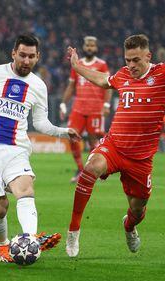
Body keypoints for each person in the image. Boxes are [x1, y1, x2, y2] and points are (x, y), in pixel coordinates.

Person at [65, 34, 165, 257]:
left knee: (137, 209)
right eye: (128, 60)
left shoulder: (164, 74)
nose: (131, 65)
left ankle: (129, 226)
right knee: (91, 167)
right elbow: (102, 79)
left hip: (141, 159)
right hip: (114, 146)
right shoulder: (123, 75)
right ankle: (73, 231)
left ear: (148, 56)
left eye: (136, 60)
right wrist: (77, 66)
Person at [0, 34, 81, 263]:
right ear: (13, 53)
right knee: (1, 206)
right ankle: (3, 245)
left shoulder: (38, 85)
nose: (26, 60)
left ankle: (30, 240)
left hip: (16, 150)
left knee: (26, 192)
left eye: (31, 56)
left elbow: (40, 123)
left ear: (38, 57)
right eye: (22, 55)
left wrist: (63, 132)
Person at [59, 36, 112, 183]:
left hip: (95, 109)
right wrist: (63, 103)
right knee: (71, 136)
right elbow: (71, 85)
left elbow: (108, 85)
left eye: (92, 46)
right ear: (84, 47)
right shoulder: (78, 64)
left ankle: (97, 170)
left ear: (96, 48)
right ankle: (80, 169)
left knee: (94, 140)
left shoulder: (102, 65)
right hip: (78, 108)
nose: (90, 48)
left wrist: (106, 105)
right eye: (87, 45)